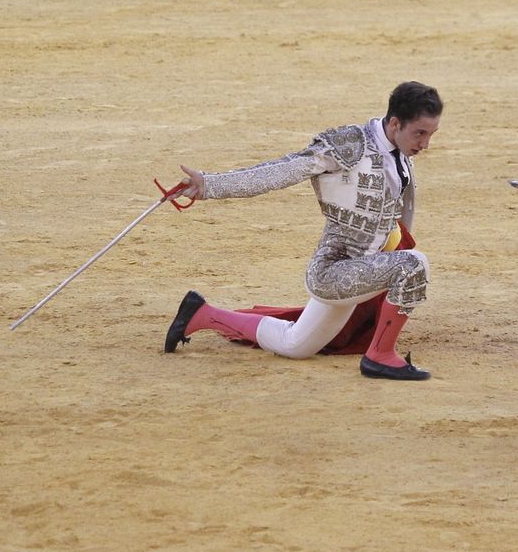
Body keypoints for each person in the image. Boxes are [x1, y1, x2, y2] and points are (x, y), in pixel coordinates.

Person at [164, 81, 443, 381]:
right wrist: (209, 185)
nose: (425, 144)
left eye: (430, 134)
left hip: (366, 266)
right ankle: (379, 357)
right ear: (395, 123)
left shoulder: (401, 151)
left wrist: (389, 258)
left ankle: (202, 314)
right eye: (420, 133)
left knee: (296, 344)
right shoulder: (348, 146)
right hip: (334, 270)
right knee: (414, 264)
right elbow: (283, 171)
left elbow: (403, 208)